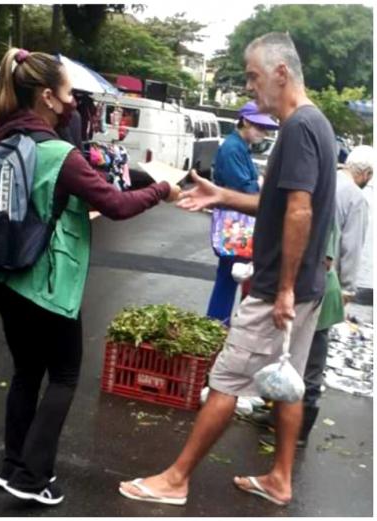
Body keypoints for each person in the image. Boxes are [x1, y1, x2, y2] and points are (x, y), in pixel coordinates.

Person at [119, 32, 336, 507]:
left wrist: (280, 290)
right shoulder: (315, 124)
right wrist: (223, 196)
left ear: (281, 73)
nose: (250, 90)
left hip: (281, 289)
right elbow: (279, 204)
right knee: (289, 382)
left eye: (255, 77)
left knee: (225, 381)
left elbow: (300, 211)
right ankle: (280, 478)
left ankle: (176, 479)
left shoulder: (298, 128)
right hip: (307, 288)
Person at [0, 48, 181, 506]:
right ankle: (31, 477)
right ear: (48, 97)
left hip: (4, 277)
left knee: (28, 373)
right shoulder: (58, 153)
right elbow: (116, 205)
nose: (75, 102)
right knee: (65, 375)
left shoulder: (1, 139)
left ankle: (15, 468)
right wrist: (162, 190)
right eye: (70, 94)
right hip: (46, 282)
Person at [257, 144, 372, 447]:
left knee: (287, 349)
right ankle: (296, 432)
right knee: (312, 360)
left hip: (293, 280)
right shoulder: (354, 198)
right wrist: (348, 288)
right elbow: (348, 248)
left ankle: (273, 414)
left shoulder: (324, 188)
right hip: (318, 285)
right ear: (366, 174)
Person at [206, 101, 279, 325]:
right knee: (230, 273)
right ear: (245, 121)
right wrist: (260, 183)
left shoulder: (240, 146)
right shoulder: (232, 148)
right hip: (234, 221)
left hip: (235, 221)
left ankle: (218, 322)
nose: (263, 133)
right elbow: (244, 187)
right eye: (259, 126)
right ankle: (218, 322)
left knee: (230, 273)